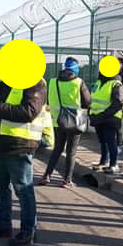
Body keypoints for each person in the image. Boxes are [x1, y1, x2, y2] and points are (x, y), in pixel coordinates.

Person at [0, 77, 48, 246]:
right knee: (0, 186)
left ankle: (28, 230)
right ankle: (3, 225)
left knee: (23, 189)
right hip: (1, 143)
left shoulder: (35, 82)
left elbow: (28, 112)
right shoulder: (6, 83)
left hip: (20, 144)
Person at [38, 57, 92, 188]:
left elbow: (48, 100)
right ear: (75, 69)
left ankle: (47, 175)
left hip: (57, 121)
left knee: (57, 149)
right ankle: (67, 180)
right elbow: (87, 102)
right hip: (75, 121)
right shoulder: (79, 82)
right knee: (71, 152)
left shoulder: (52, 82)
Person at [89, 71, 123, 175]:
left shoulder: (116, 84)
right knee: (102, 141)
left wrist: (104, 114)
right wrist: (91, 112)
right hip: (98, 117)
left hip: (110, 118)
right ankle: (103, 161)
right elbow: (94, 98)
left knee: (111, 141)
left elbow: (118, 102)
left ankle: (113, 164)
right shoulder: (98, 82)